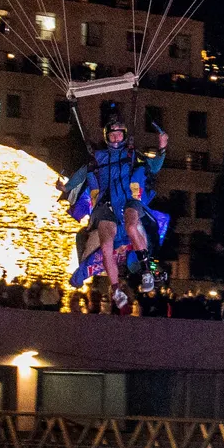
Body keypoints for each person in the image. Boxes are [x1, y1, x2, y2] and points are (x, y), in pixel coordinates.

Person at [59, 105, 168, 313]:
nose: (116, 139)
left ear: (124, 136)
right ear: (107, 137)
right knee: (106, 244)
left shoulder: (132, 155)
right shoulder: (98, 157)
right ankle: (116, 289)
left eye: (119, 135)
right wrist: (66, 187)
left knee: (131, 226)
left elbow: (154, 166)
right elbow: (81, 174)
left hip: (128, 200)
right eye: (113, 135)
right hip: (105, 205)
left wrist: (162, 148)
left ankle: (146, 270)